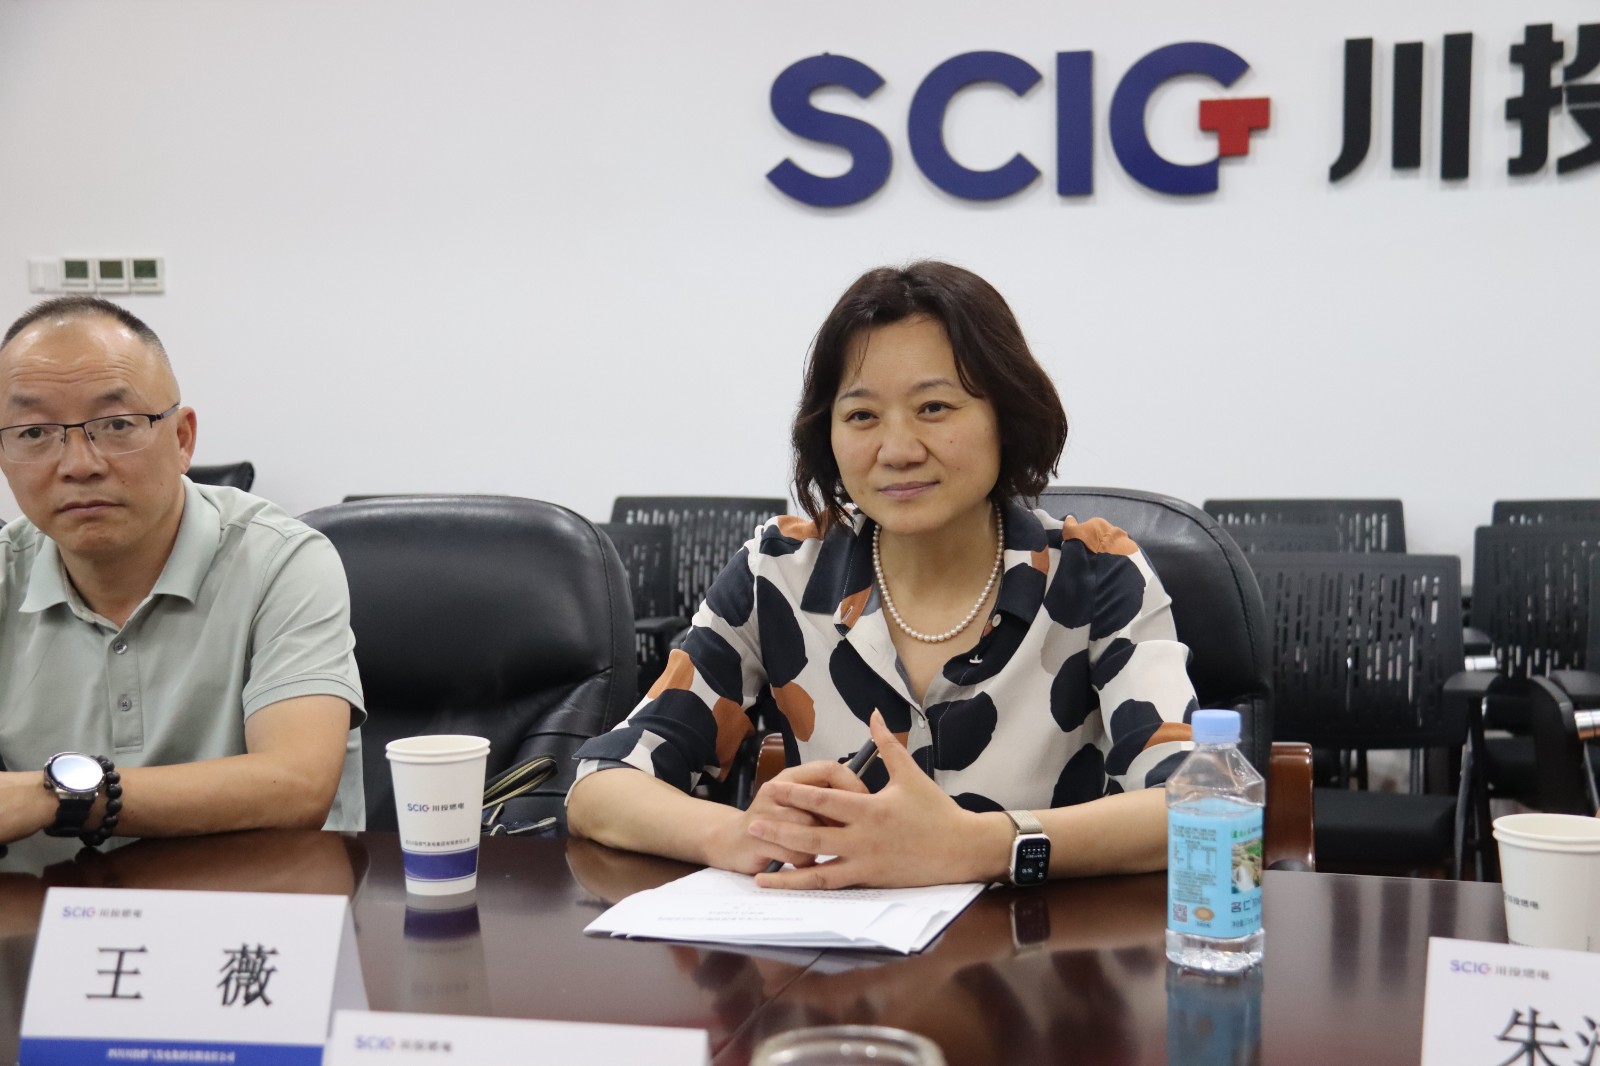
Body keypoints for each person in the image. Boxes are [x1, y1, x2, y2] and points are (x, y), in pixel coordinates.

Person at [567, 261, 1197, 888]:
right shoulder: (779, 573)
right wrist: (740, 834)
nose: (897, 450)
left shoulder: (1096, 572)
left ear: (1006, 417)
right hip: (841, 947)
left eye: (934, 407)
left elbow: (1195, 805)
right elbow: (602, 785)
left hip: (1041, 943)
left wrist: (975, 846)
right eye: (862, 416)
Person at [0, 296, 365, 847]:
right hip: (44, 901)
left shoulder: (281, 561)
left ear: (182, 439)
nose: (78, 465)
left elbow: (295, 785)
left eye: (117, 424)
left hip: (253, 898)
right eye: (34, 433)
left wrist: (53, 794)